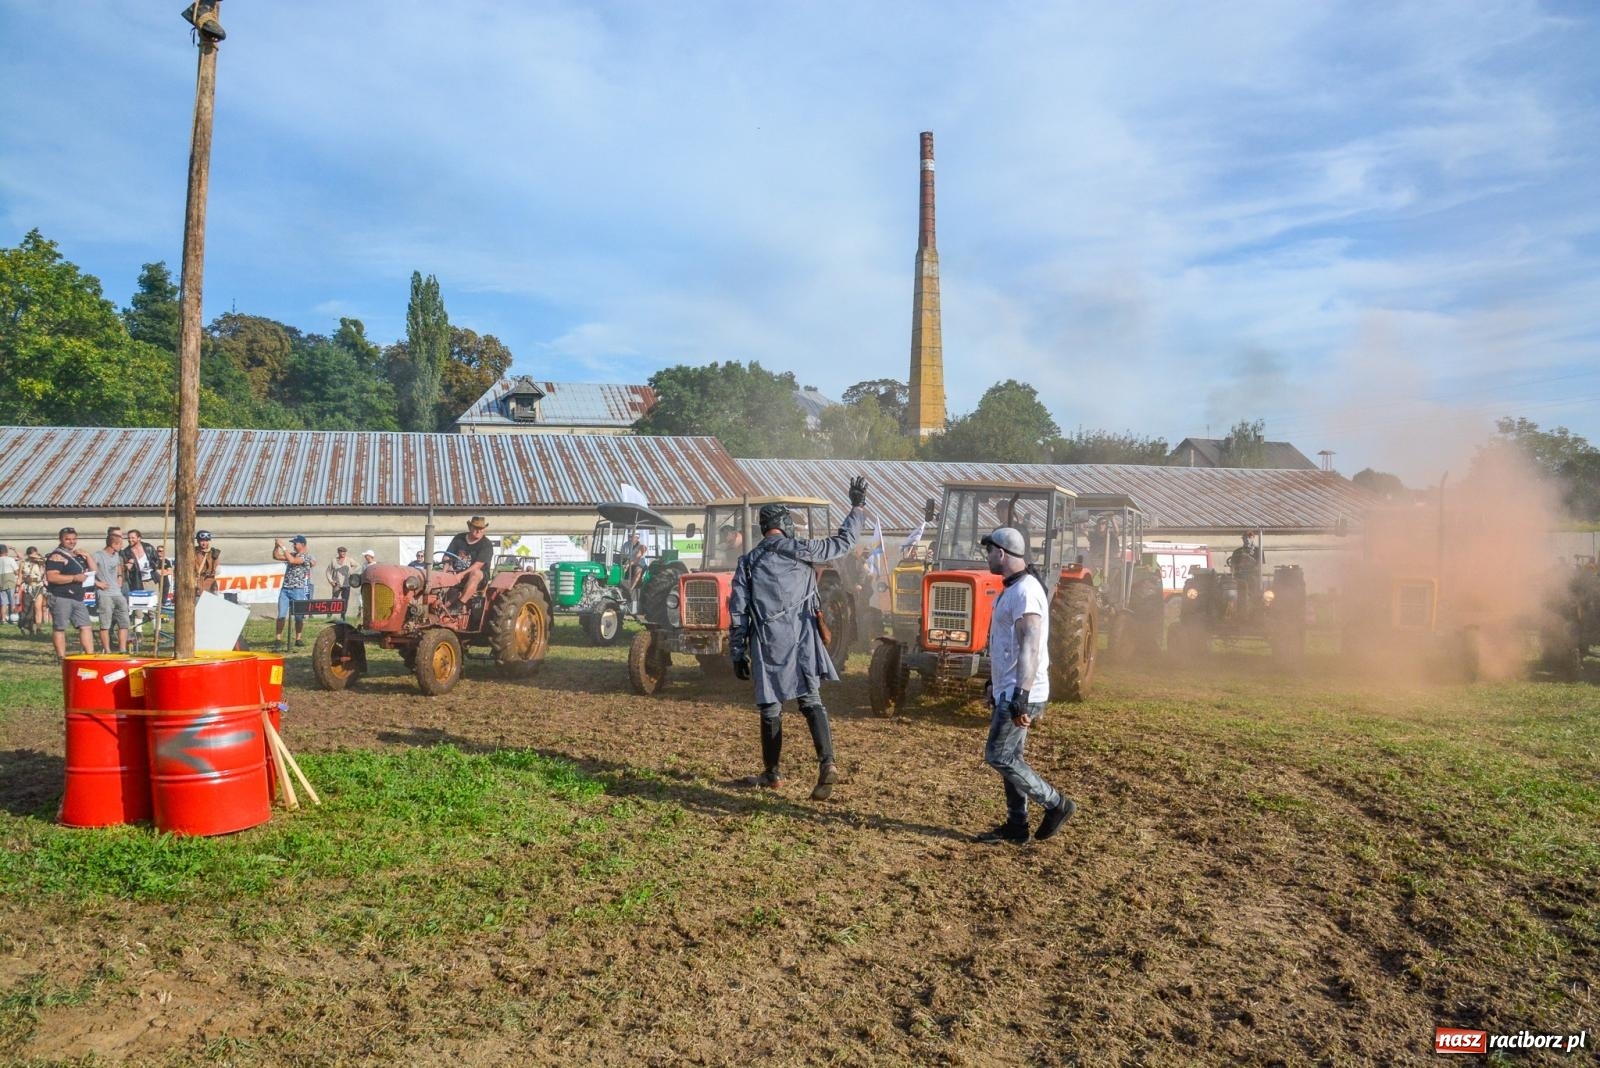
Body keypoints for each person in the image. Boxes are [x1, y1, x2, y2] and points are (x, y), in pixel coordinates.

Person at [728, 478, 868, 801]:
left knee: (770, 709)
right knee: (811, 701)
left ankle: (773, 774)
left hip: (767, 643)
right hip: (804, 639)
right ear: (782, 524)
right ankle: (828, 763)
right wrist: (857, 507)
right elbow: (844, 542)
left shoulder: (747, 563)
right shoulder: (804, 549)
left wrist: (737, 653)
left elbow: (738, 612)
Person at [974, 526, 1075, 845]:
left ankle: (1056, 803)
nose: (988, 557)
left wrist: (1021, 694)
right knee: (1011, 757)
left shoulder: (1026, 591)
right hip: (1010, 687)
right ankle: (1017, 826)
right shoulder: (1013, 589)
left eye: (989, 551)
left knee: (998, 755)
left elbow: (1031, 644)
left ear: (1001, 553)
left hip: (1023, 689)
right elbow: (1005, 644)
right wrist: (995, 682)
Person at [44, 527, 95, 660]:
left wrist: (88, 556)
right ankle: (61, 658)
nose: (71, 542)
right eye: (68, 539)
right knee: (60, 627)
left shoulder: (77, 556)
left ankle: (90, 656)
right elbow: (52, 577)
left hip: (78, 597)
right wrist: (73, 578)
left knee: (86, 626)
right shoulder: (56, 556)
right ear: (61, 539)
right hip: (61, 596)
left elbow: (94, 571)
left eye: (74, 539)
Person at [92, 528, 132, 653]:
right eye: (120, 544)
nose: (122, 547)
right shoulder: (97, 556)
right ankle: (107, 649)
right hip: (104, 594)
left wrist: (120, 577)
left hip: (117, 592)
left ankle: (122, 649)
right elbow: (86, 574)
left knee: (124, 621)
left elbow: (118, 567)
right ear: (114, 544)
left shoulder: (117, 556)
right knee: (105, 623)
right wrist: (97, 583)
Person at [272, 535, 315, 649]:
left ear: (303, 545)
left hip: (298, 590)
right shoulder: (293, 554)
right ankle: (278, 638)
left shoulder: (306, 557)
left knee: (299, 617)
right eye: (293, 544)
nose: (294, 545)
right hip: (285, 589)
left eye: (295, 543)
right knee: (281, 615)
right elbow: (276, 556)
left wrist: (283, 547)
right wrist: (277, 546)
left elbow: (292, 561)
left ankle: (298, 638)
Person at [443, 516, 496, 603]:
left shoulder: (486, 544)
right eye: (476, 528)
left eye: (481, 528)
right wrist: (446, 570)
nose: (479, 531)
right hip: (456, 573)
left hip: (479, 578)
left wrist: (461, 575)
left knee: (476, 573)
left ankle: (460, 604)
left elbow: (478, 565)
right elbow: (447, 556)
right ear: (470, 527)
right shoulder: (459, 538)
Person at [326, 546, 360, 618]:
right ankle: (329, 615)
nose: (343, 553)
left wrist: (351, 572)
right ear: (338, 552)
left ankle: (343, 615)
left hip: (346, 584)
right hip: (337, 584)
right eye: (341, 552)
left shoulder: (349, 560)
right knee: (334, 599)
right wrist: (331, 581)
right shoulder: (334, 560)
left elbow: (358, 566)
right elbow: (328, 571)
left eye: (344, 552)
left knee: (345, 600)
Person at [19, 547, 47, 634]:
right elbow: (20, 575)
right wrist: (17, 588)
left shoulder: (40, 562)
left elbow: (44, 564)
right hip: (28, 586)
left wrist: (37, 559)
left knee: (37, 607)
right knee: (27, 608)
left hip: (38, 586)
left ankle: (38, 628)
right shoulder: (24, 562)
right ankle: (29, 627)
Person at [192, 530, 221, 594]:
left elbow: (218, 571)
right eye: (202, 541)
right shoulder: (192, 552)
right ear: (198, 541)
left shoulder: (214, 552)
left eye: (206, 541)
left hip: (210, 584)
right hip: (197, 583)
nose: (204, 543)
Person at [0, 544, 16, 625]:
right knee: (12, 600)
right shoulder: (10, 559)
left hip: (1, 582)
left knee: (3, 602)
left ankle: (3, 619)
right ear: (6, 551)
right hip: (10, 580)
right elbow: (16, 570)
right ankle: (12, 618)